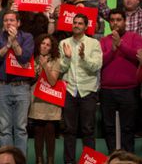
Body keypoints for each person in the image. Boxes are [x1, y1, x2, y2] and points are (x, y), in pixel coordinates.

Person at [0, 10, 34, 156]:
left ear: (18, 23)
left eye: (12, 20)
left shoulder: (27, 37)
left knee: (20, 128)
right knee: (4, 128)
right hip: (2, 87)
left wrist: (14, 42)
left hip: (21, 87)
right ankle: (7, 160)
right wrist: (7, 45)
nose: (8, 23)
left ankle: (19, 161)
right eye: (6, 20)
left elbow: (24, 58)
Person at [59, 13, 102, 164]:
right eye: (74, 22)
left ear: (85, 26)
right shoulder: (64, 43)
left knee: (88, 130)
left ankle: (89, 162)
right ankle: (69, 162)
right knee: (69, 130)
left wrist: (83, 56)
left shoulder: (94, 43)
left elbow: (96, 66)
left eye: (80, 23)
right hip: (70, 91)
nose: (76, 25)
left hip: (88, 91)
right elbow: (62, 68)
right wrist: (67, 57)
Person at [100, 9, 142, 153]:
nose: (115, 23)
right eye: (112, 20)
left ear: (125, 21)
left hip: (129, 89)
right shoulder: (104, 40)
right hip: (107, 90)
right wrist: (112, 49)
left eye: (119, 19)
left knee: (128, 128)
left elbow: (138, 56)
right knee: (109, 128)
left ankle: (129, 158)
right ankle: (113, 157)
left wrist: (121, 45)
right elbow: (100, 62)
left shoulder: (135, 37)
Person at [28, 34, 61, 164]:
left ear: (51, 48)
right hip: (36, 99)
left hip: (50, 100)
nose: (45, 46)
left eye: (48, 45)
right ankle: (39, 160)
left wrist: (45, 66)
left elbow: (53, 81)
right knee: (38, 132)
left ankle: (50, 161)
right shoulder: (32, 58)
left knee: (50, 132)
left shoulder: (56, 60)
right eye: (43, 43)